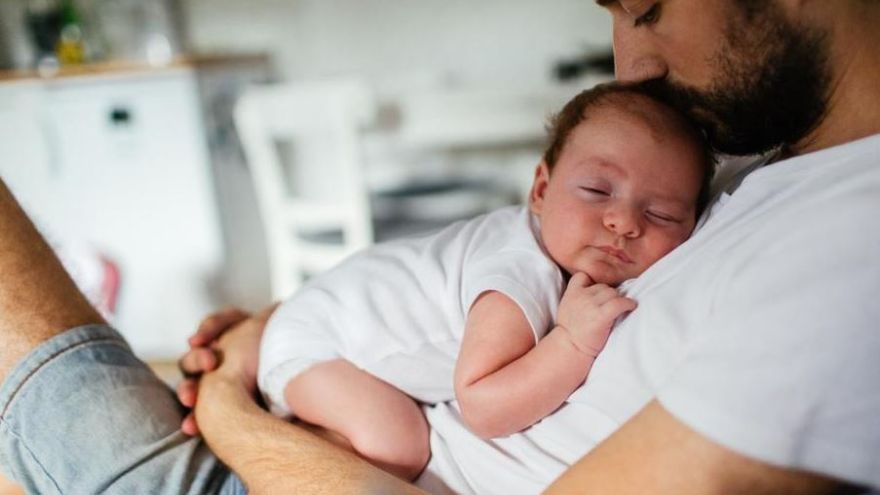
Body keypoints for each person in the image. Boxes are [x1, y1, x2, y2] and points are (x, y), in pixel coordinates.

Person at [0, 0, 878, 493]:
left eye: (647, 6)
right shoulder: (746, 164)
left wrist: (231, 405)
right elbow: (470, 273)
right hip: (346, 436)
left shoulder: (851, 243)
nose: (633, 65)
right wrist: (280, 329)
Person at [256, 83, 712, 480]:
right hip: (315, 343)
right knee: (400, 446)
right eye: (597, 191)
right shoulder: (519, 273)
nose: (624, 222)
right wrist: (572, 342)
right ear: (540, 191)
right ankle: (291, 431)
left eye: (662, 214)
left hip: (328, 312)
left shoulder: (554, 250)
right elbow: (483, 408)